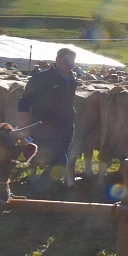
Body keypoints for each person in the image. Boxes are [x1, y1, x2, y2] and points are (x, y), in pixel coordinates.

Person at [17, 47, 78, 196]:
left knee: (57, 159)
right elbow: (24, 102)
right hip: (45, 126)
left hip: (66, 126)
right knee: (61, 161)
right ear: (57, 60)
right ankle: (35, 195)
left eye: (71, 61)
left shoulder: (72, 78)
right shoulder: (41, 78)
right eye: (65, 60)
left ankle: (49, 193)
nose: (68, 64)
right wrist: (23, 127)